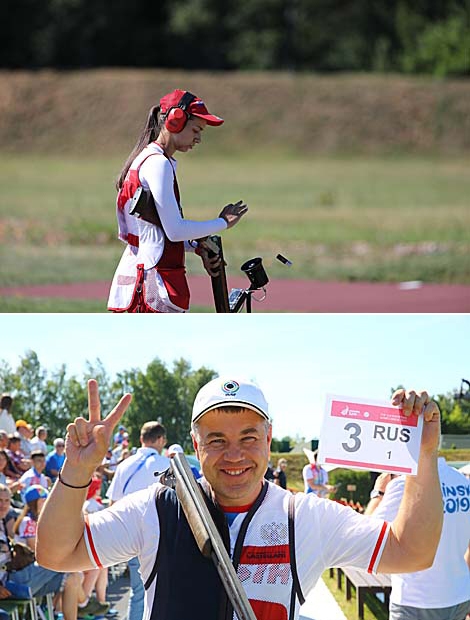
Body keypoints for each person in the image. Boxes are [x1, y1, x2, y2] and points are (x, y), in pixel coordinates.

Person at [37, 377, 444, 620]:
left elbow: (411, 553)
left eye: (248, 437)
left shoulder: (303, 516)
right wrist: (75, 470)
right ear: (196, 446)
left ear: (268, 439)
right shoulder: (157, 508)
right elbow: (57, 554)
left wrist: (424, 456)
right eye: (217, 440)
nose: (234, 455)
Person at [107, 89, 248, 313]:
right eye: (196, 130)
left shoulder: (150, 159)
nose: (199, 138)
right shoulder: (158, 164)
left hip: (145, 280)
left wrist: (195, 245)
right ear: (175, 121)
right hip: (153, 284)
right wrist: (223, 222)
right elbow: (174, 230)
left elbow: (154, 232)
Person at [365, 458, 470, 620]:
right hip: (458, 595)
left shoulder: (403, 485)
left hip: (417, 598)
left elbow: (367, 536)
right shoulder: (461, 481)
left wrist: (378, 493)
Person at [105, 421, 170, 620]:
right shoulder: (165, 464)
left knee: (138, 593)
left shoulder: (124, 465)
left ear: (141, 439)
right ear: (160, 439)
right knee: (163, 593)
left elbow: (113, 504)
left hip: (130, 536)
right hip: (161, 536)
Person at [0, 484, 83, 620]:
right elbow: (37, 550)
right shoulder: (27, 521)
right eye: (0, 500)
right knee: (65, 562)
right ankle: (85, 604)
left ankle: (79, 608)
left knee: (72, 577)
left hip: (18, 579)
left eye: (7, 501)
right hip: (12, 582)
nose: (3, 505)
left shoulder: (4, 522)